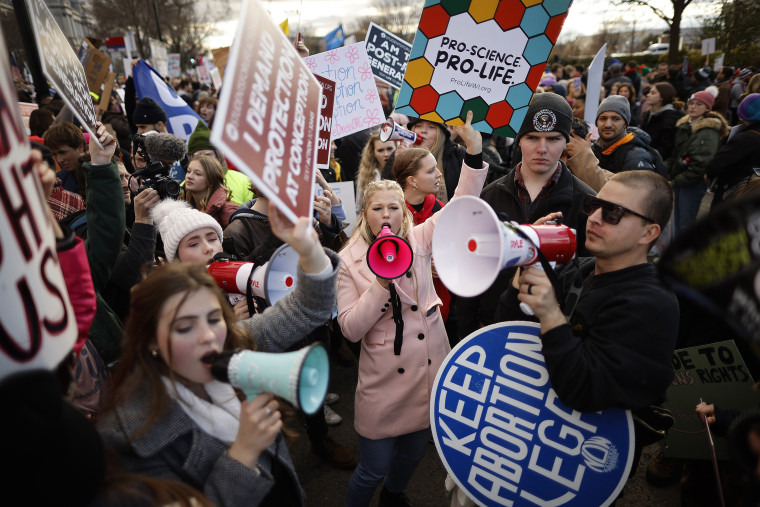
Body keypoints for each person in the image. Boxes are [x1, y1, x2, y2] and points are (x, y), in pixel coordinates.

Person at [97, 202, 340, 507]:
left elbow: (310, 307)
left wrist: (308, 248)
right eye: (184, 328)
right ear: (150, 341)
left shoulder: (235, 342)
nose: (209, 337)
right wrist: (242, 456)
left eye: (214, 319)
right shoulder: (126, 437)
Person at [337, 111, 487, 506]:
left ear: (404, 211)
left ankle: (396, 496)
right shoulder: (348, 260)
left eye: (393, 208)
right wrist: (381, 282)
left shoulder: (418, 238)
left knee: (414, 454)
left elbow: (460, 207)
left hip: (427, 372)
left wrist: (474, 152)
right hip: (384, 383)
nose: (386, 216)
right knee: (372, 467)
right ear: (364, 215)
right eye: (377, 209)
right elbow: (351, 329)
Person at [495, 170, 679, 483]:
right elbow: (509, 331)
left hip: (580, 467)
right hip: (538, 437)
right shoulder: (586, 269)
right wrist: (524, 267)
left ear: (649, 233)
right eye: (594, 205)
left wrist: (552, 315)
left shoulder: (651, 302)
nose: (594, 218)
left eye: (614, 213)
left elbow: (583, 392)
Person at [458, 93, 595, 337]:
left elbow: (591, 280)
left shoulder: (587, 203)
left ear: (566, 142)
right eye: (532, 137)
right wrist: (468, 331)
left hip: (554, 335)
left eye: (553, 139)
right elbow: (471, 271)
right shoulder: (489, 197)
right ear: (519, 140)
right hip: (492, 329)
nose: (542, 149)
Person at [392, 147, 453, 337]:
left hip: (440, 304)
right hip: (401, 310)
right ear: (412, 181)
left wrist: (444, 263)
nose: (439, 174)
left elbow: (456, 249)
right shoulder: (391, 213)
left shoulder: (439, 208)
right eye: (430, 171)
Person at [564, 95, 665, 192]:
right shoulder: (593, 149)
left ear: (625, 123)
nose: (608, 124)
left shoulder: (636, 155)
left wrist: (582, 156)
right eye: (603, 118)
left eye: (616, 119)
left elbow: (630, 196)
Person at [666, 90, 728, 232]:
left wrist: (674, 181)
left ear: (707, 108)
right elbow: (676, 153)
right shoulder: (685, 125)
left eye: (699, 104)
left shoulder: (707, 131)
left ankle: (685, 253)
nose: (693, 107)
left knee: (685, 222)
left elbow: (700, 165)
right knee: (675, 219)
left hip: (692, 183)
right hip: (679, 179)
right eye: (691, 103)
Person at [383, 117, 466, 203]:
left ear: (441, 133)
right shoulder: (398, 154)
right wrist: (399, 164)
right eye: (418, 126)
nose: (424, 131)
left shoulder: (457, 153)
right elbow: (386, 190)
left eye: (431, 127)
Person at [705, 93, 760, 208]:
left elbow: (717, 163)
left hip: (733, 191)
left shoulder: (746, 137)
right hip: (752, 193)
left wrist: (710, 176)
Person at [186, 121, 254, 205]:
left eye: (208, 154)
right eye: (198, 156)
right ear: (190, 158)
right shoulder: (185, 185)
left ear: (218, 155)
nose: (203, 160)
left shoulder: (244, 181)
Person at [184, 155, 239, 229]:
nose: (189, 176)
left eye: (198, 174)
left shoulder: (227, 210)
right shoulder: (182, 203)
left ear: (211, 180)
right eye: (188, 171)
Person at [641, 82, 685, 161]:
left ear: (662, 97)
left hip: (657, 160)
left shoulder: (671, 118)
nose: (648, 95)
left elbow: (667, 148)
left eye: (653, 93)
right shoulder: (649, 113)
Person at [44, 121, 87, 196]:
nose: (59, 160)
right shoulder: (58, 181)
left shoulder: (100, 173)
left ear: (81, 148)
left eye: (62, 152)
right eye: (54, 154)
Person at [355, 133, 395, 212]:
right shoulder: (365, 175)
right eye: (380, 150)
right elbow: (359, 209)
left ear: (396, 148)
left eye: (389, 149)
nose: (386, 154)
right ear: (373, 152)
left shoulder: (405, 170)